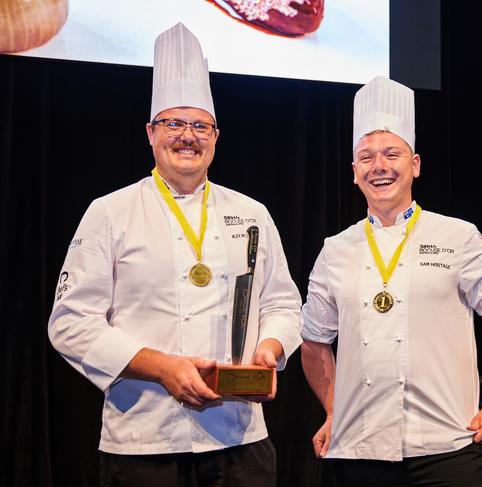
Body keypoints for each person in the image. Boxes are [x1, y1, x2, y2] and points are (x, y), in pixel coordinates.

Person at [48, 22, 302, 487]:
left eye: (199, 126)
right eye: (174, 124)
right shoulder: (110, 211)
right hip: (144, 441)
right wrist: (163, 367)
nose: (188, 136)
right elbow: (69, 323)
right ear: (150, 133)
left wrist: (270, 349)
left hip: (239, 438)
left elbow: (283, 304)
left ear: (216, 136)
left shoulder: (251, 212)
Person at [300, 76, 482, 487]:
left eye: (392, 153)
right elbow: (314, 340)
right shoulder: (335, 249)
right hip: (361, 453)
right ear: (354, 172)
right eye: (367, 157)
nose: (380, 166)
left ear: (415, 165)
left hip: (451, 447)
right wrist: (335, 409)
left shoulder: (458, 236)